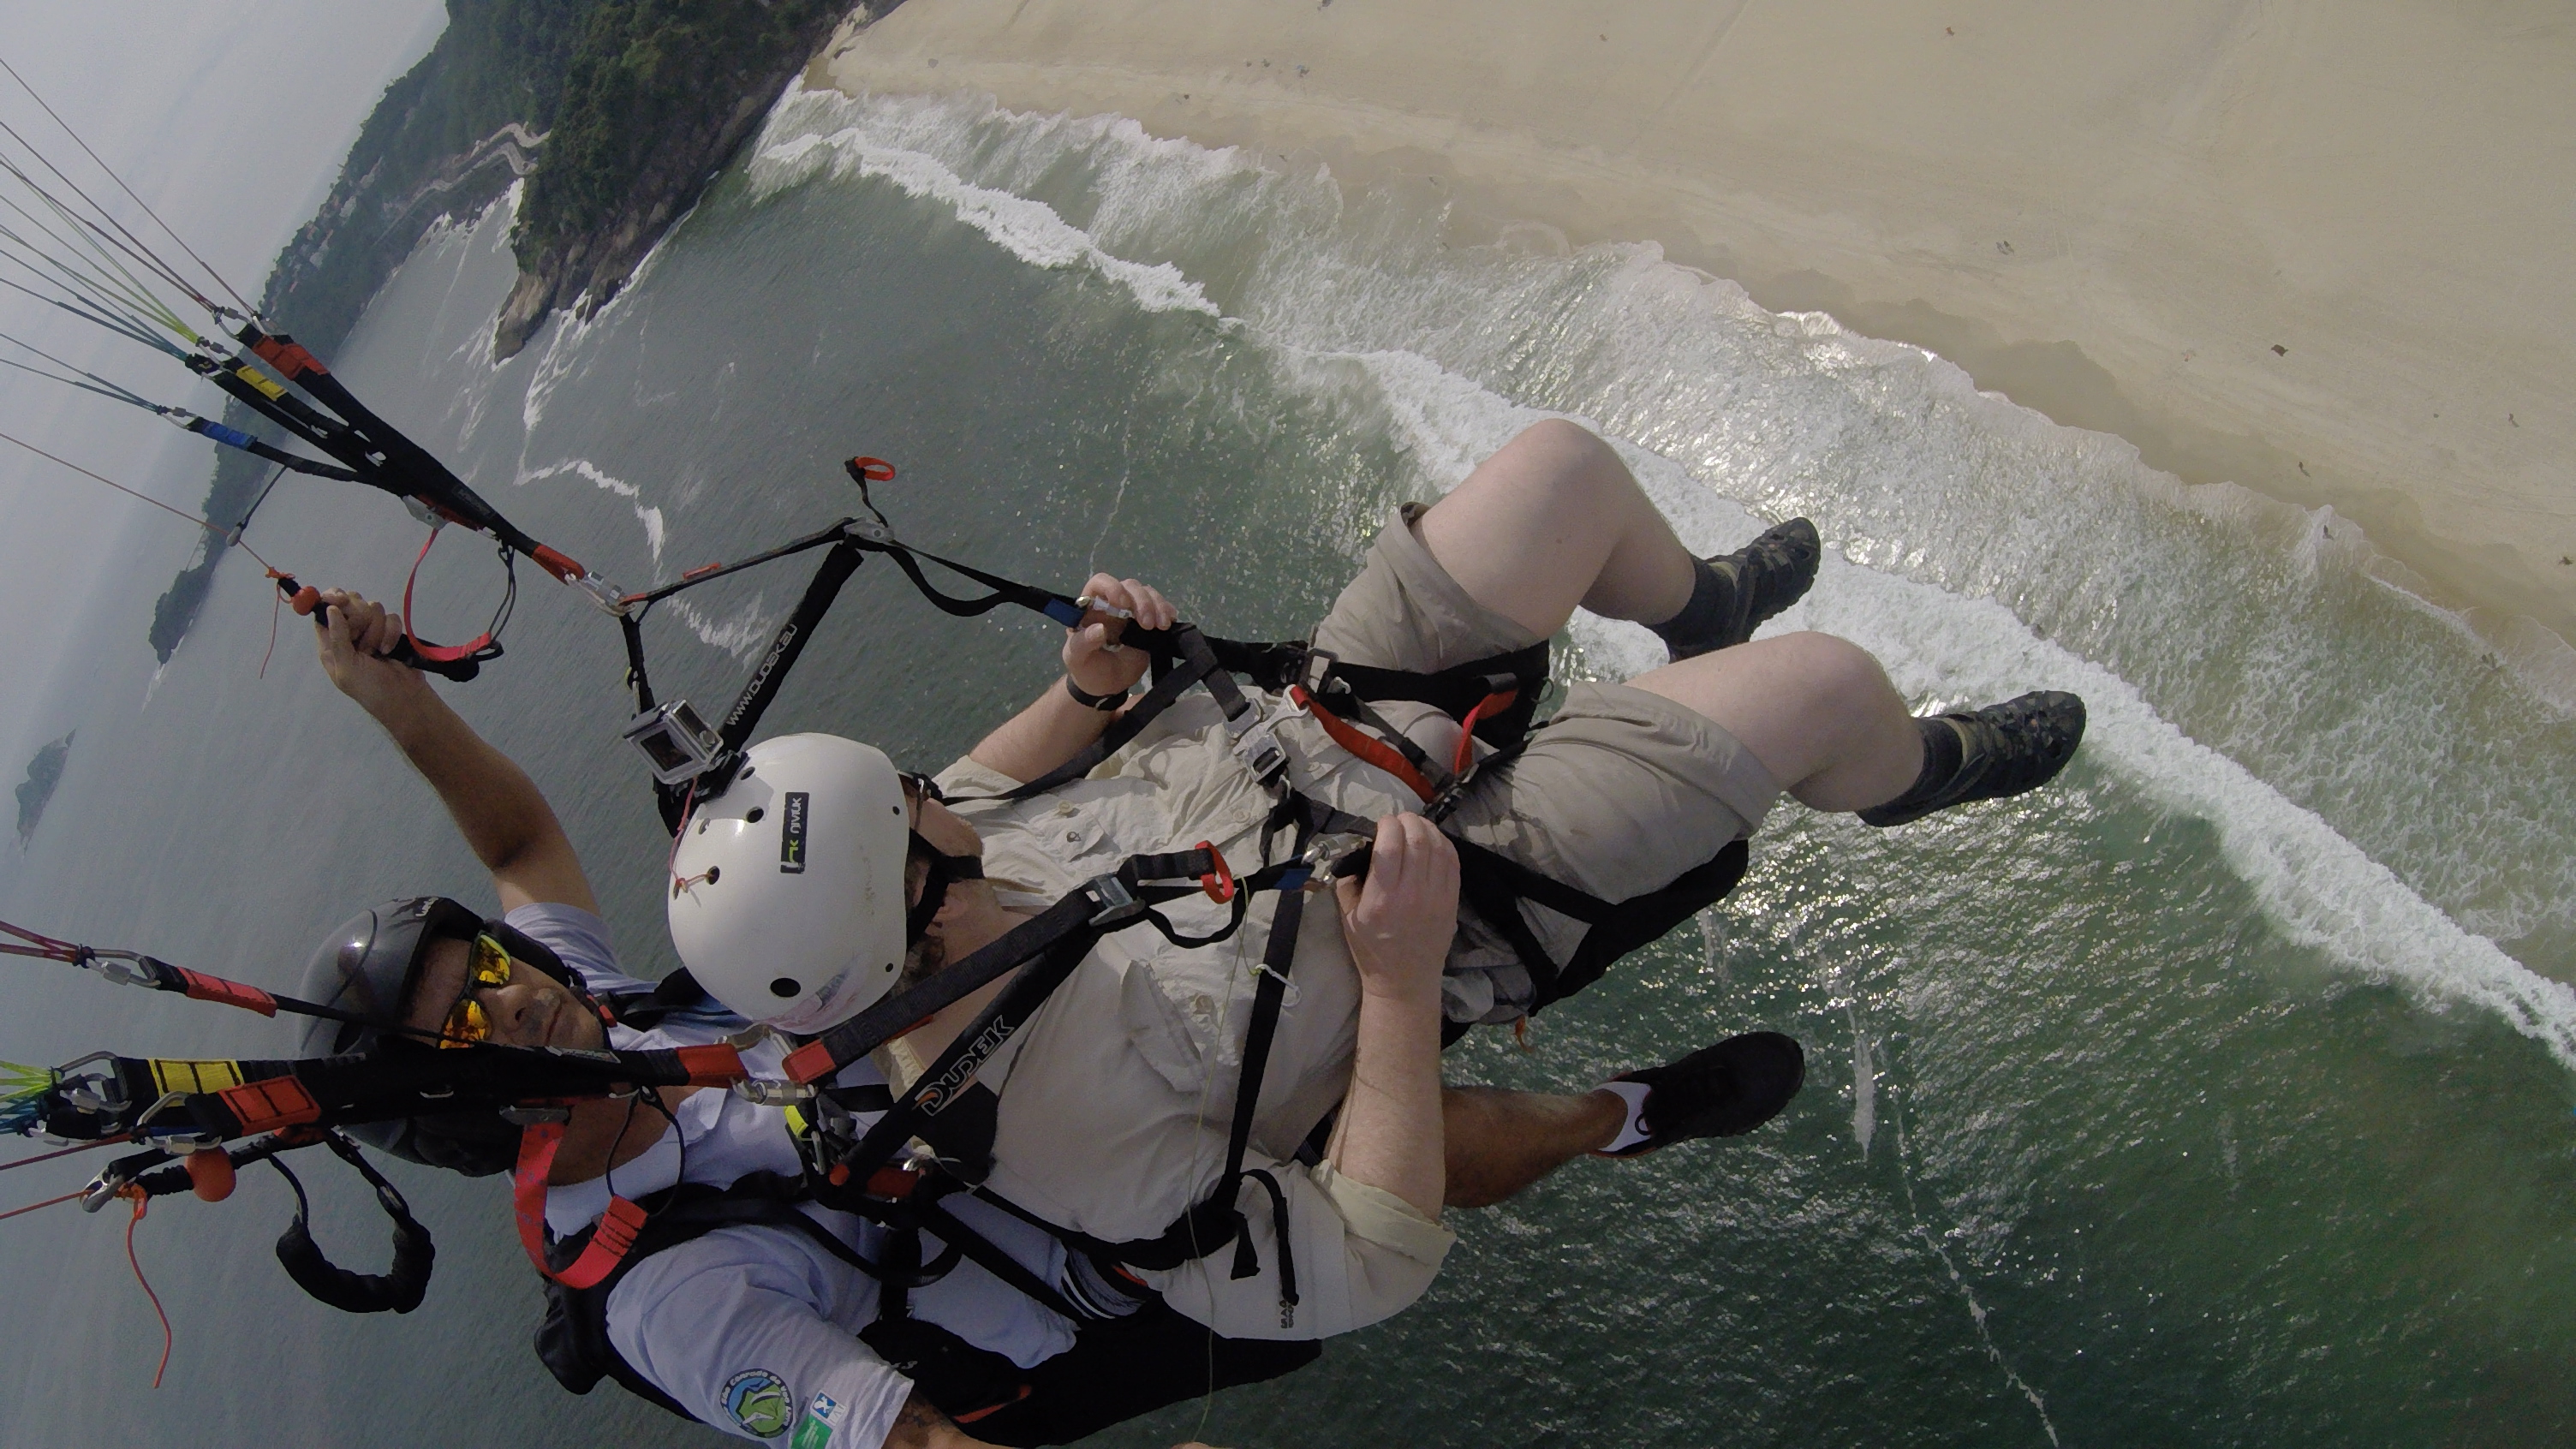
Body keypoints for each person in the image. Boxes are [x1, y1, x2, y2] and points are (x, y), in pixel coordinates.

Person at [294, 479, 1815, 1447]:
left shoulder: (603, 1022)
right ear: (492, 1108)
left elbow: (516, 846)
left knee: (1290, 1004)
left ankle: (1663, 726)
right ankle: (1613, 1120)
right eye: (476, 1014)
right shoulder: (669, 1303)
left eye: (485, 967)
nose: (514, 985)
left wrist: (387, 698)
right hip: (1110, 1265)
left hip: (1024, 1055)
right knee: (1361, 1121)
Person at [653, 419, 2084, 1351]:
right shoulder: (1066, 1145)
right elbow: (1372, 1253)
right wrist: (1399, 989)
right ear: (899, 909)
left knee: (1560, 471)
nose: (916, 786)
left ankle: (1700, 606)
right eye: (893, 806)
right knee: (1829, 689)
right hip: (1455, 908)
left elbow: (982, 775)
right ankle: (1916, 771)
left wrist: (1087, 685)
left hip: (1323, 729)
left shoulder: (928, 865)